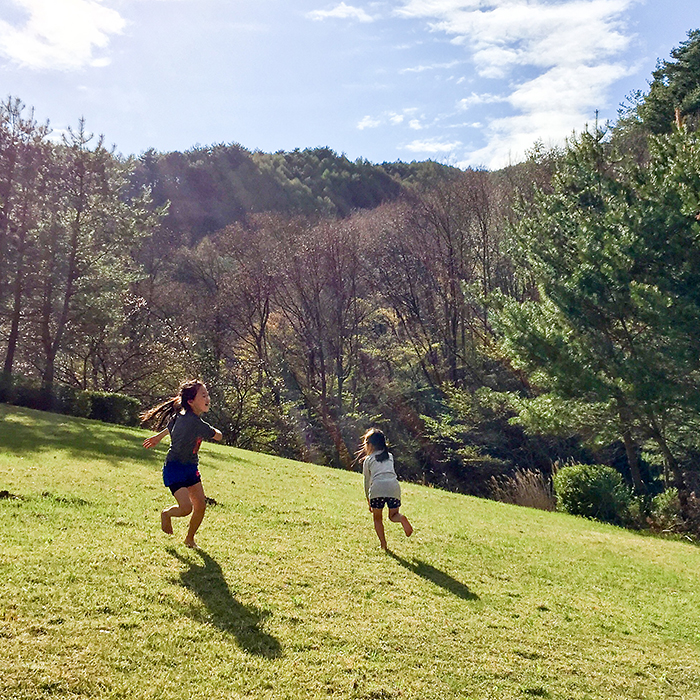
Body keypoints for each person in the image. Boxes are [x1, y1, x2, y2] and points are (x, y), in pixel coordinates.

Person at [141, 380, 222, 548]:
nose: (207, 398)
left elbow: (171, 425)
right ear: (191, 401)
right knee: (186, 508)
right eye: (203, 395)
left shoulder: (182, 415)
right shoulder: (195, 422)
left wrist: (158, 437)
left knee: (200, 505)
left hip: (191, 468)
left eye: (207, 394)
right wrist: (216, 431)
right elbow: (218, 436)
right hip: (175, 468)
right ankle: (166, 514)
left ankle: (189, 539)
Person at [361, 428, 413, 550]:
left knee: (377, 519)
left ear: (370, 445)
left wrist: (368, 499)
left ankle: (383, 544)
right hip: (393, 488)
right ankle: (402, 518)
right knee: (393, 515)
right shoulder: (390, 457)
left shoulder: (368, 460)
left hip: (377, 489)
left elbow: (367, 482)